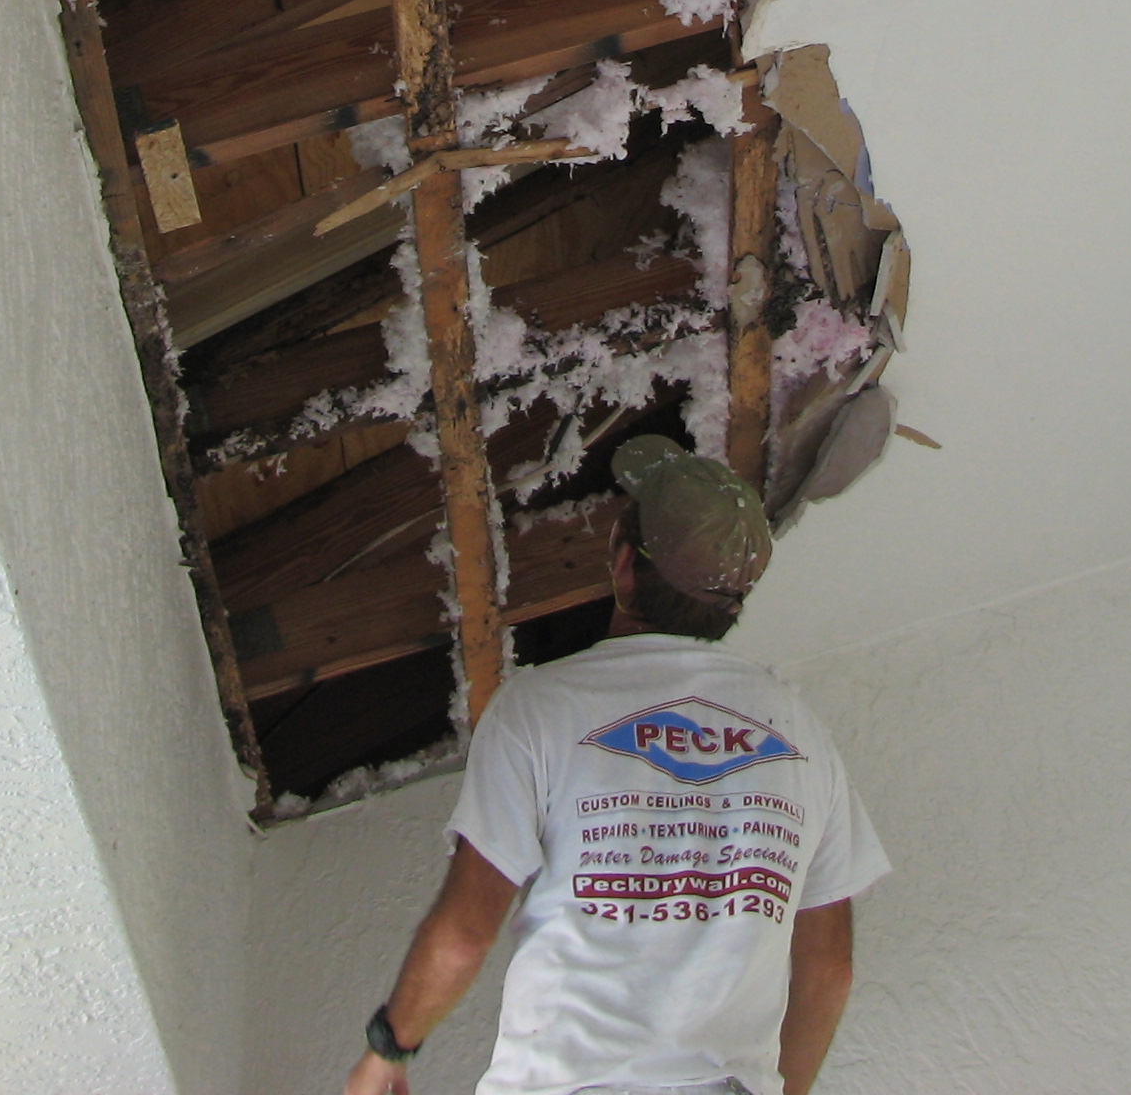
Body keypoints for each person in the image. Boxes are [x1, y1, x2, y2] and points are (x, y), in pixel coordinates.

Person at [342, 435, 888, 1095]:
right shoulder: (801, 736)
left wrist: (387, 1050)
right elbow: (829, 971)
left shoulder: (541, 708)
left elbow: (464, 933)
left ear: (623, 565)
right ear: (733, 602)